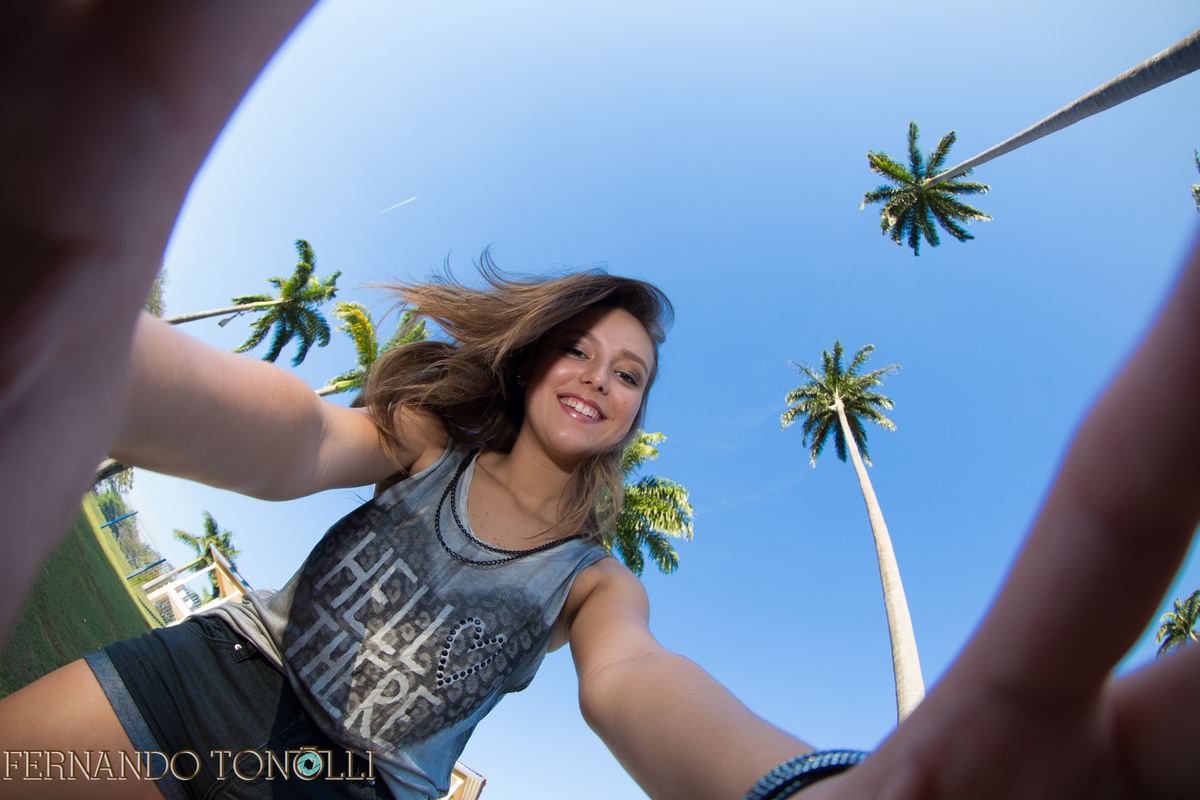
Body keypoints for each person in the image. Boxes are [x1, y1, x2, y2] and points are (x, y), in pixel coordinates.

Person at [0, 3, 1197, 800]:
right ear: (531, 362)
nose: (598, 377)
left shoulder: (590, 580)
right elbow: (297, 435)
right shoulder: (425, 444)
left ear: (633, 416)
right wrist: (99, 362)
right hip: (212, 677)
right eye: (579, 349)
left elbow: (630, 683)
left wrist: (805, 788)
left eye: (629, 373)